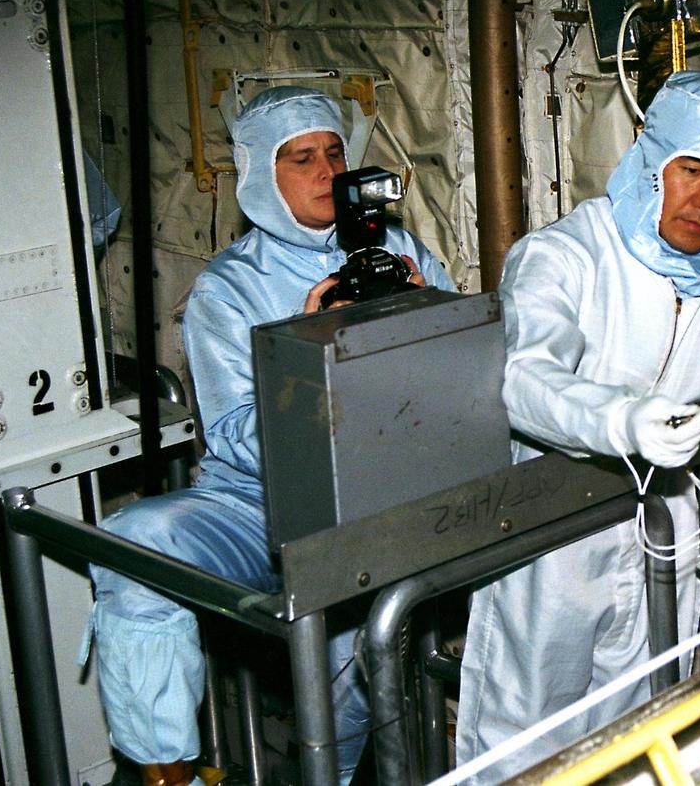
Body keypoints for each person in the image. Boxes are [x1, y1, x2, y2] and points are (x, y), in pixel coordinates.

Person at [87, 86, 454, 786]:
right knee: (136, 544)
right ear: (262, 174)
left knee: (355, 639)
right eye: (301, 157)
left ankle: (331, 777)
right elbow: (235, 435)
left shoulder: (401, 251)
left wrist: (426, 308)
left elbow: (460, 375)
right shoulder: (229, 288)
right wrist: (312, 340)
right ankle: (169, 770)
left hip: (380, 493)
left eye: (335, 151)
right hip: (258, 502)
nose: (325, 171)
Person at [456, 71, 700, 781]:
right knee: (522, 748)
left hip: (667, 539)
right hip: (551, 543)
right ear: (648, 157)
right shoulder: (567, 257)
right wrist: (621, 419)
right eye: (690, 171)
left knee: (643, 738)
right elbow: (522, 380)